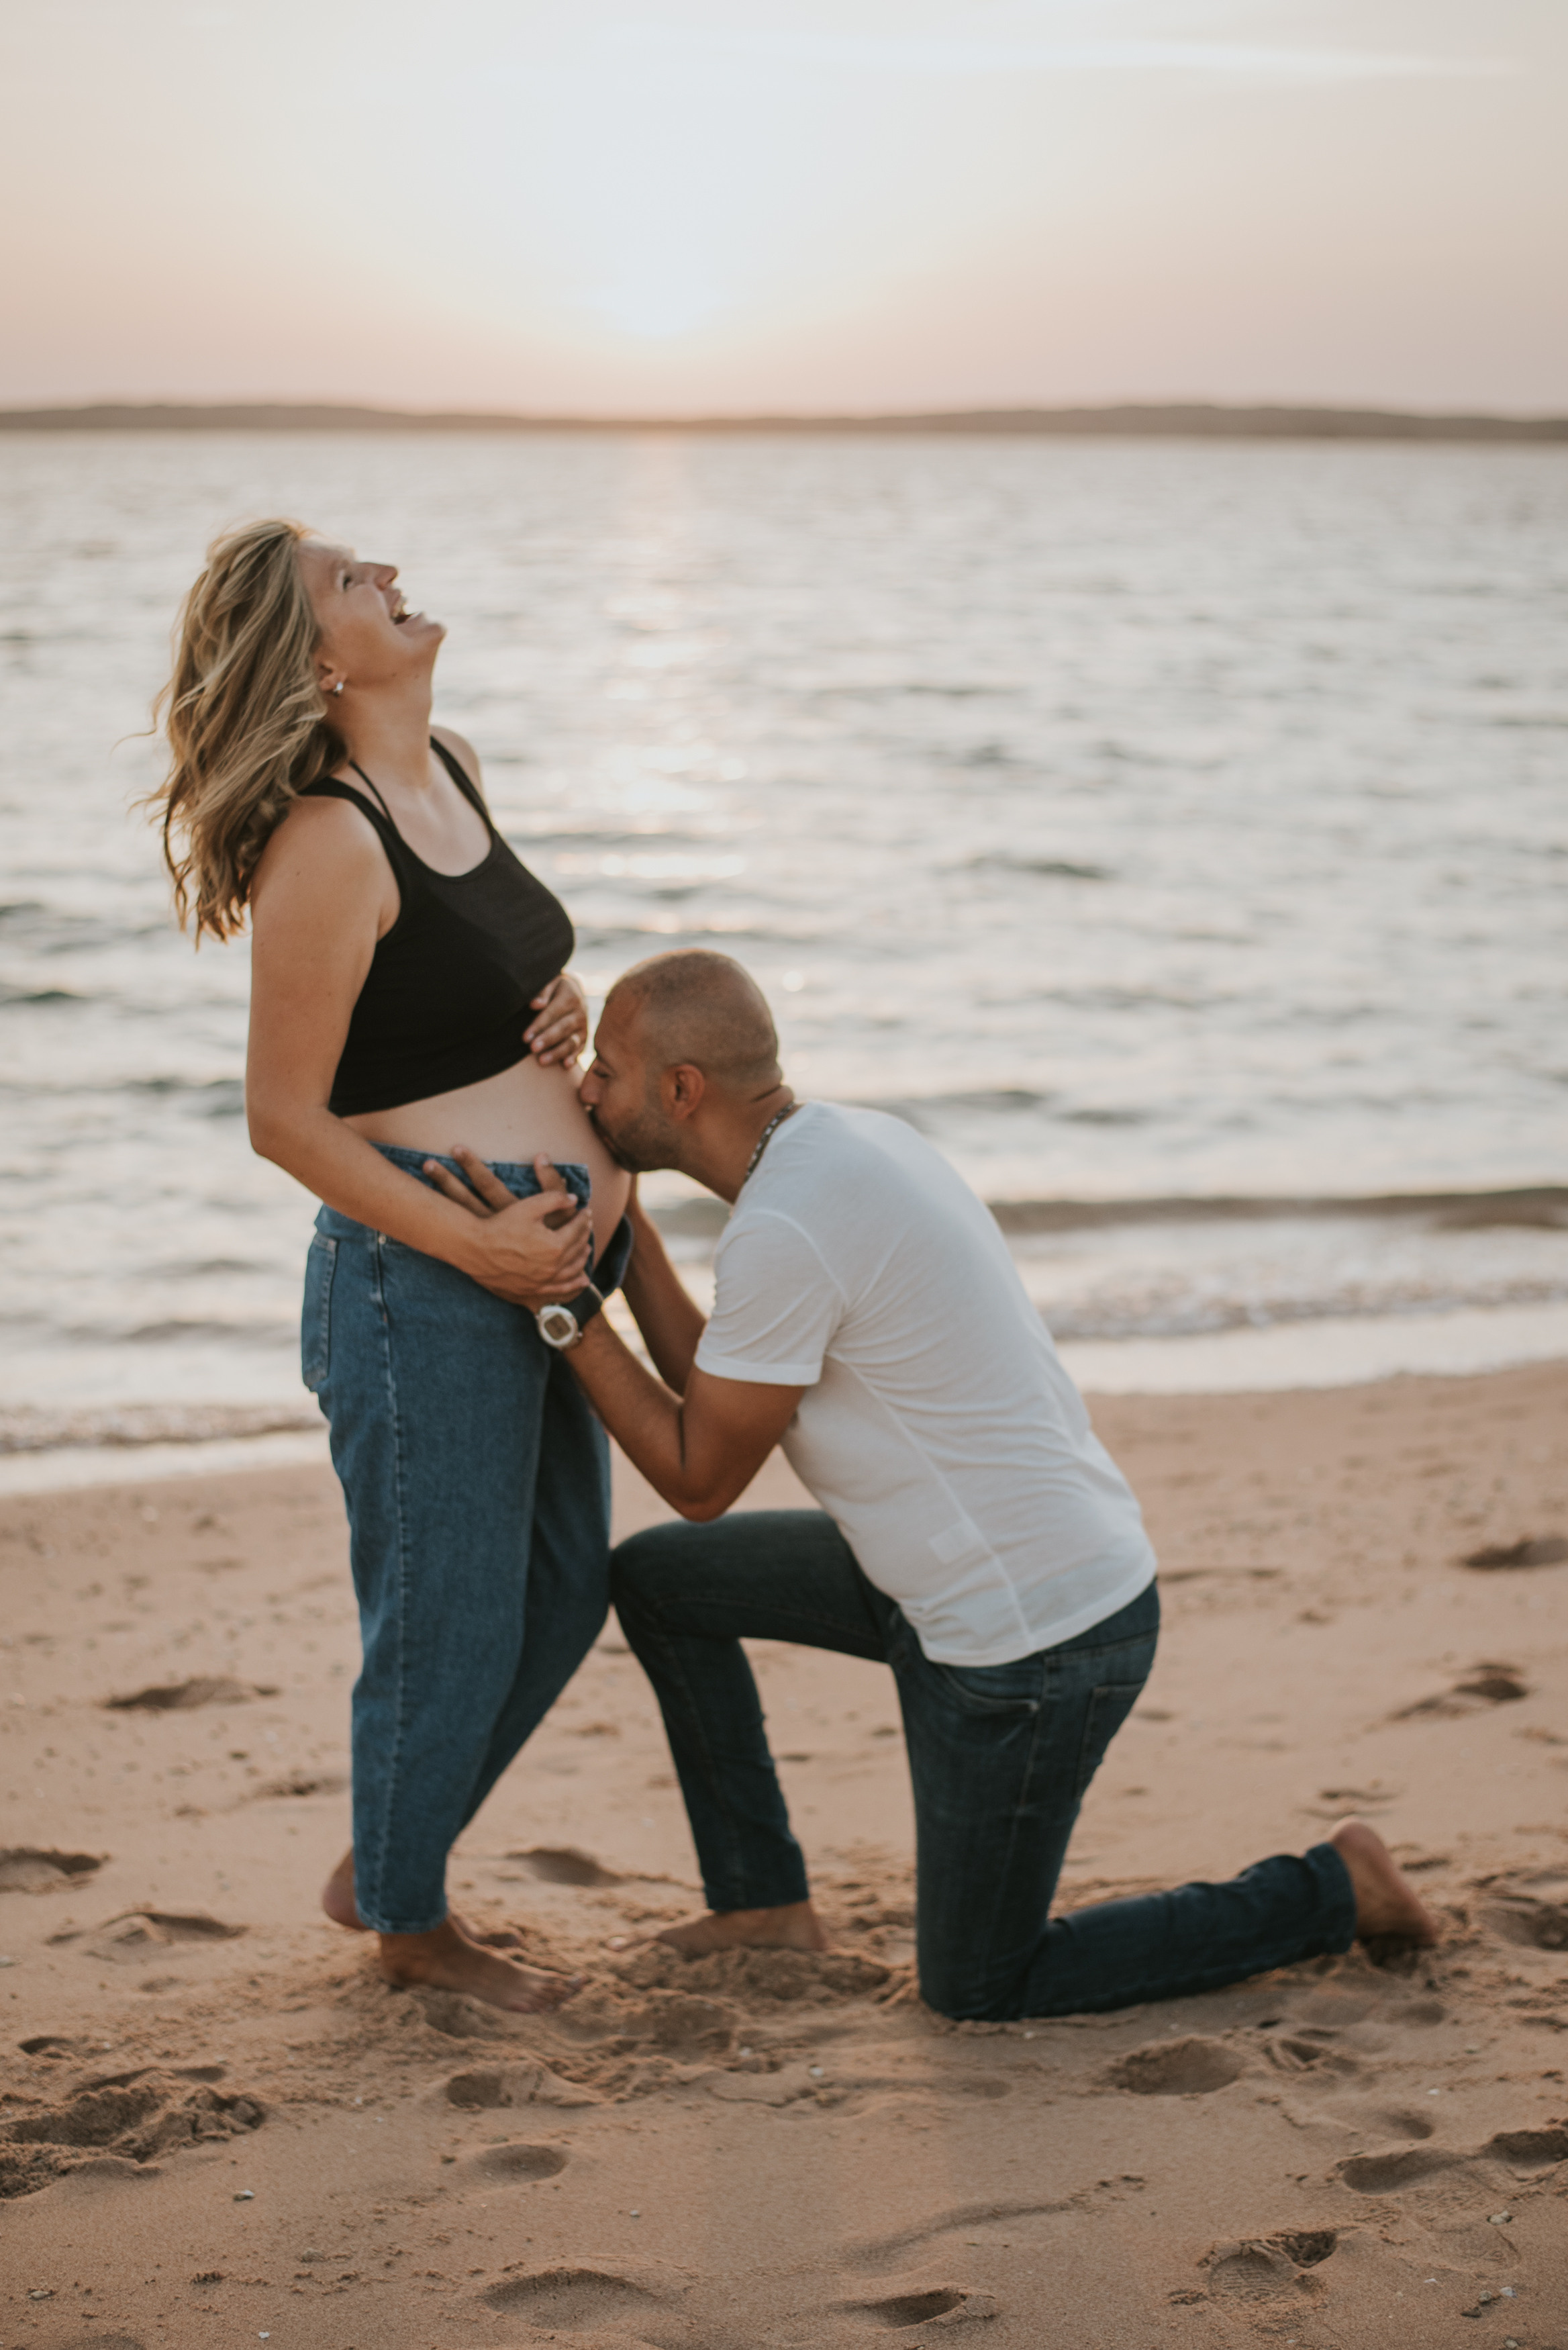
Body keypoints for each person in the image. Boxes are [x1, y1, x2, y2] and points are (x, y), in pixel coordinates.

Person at [429, 947, 1440, 2022]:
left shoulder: (788, 1225)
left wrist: (566, 1306)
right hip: (962, 1571)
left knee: (981, 1985)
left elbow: (698, 1475)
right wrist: (619, 1237)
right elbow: (714, 1391)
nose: (586, 1089)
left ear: (683, 1092)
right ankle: (763, 1902)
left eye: (609, 1072)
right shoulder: (846, 1147)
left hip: (1035, 1642)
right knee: (665, 1585)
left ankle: (1335, 1890)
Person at [150, 518, 625, 2014]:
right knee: (445, 1614)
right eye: (354, 582)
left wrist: (555, 1007)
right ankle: (409, 1927)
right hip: (417, 1274)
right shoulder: (325, 838)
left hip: (530, 1268)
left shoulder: (456, 766)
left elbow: (467, 988)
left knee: (558, 1594)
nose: (392, 577)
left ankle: (386, 1853)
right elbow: (283, 1117)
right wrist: (473, 1240)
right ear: (312, 656)